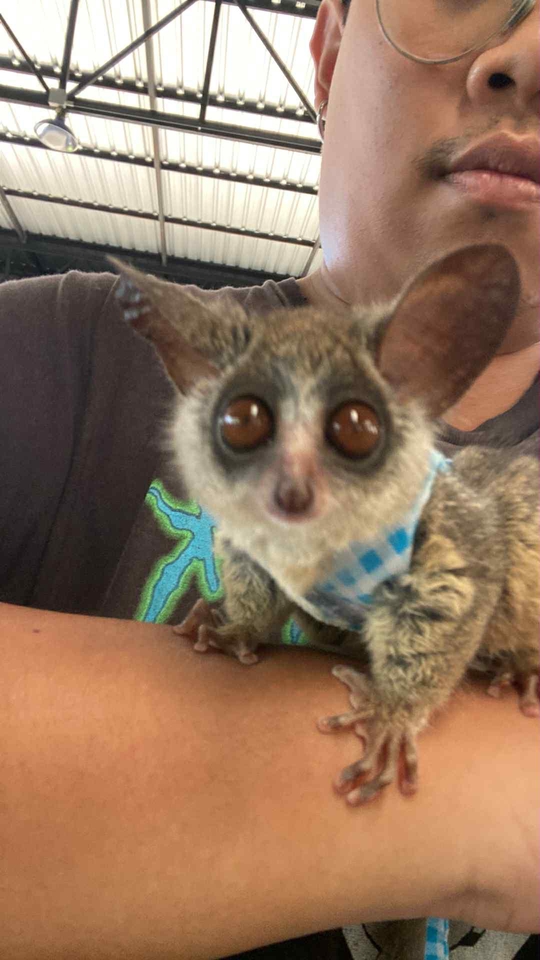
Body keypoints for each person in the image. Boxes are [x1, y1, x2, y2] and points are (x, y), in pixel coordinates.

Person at [1, 0, 538, 957]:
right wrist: (482, 791)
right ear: (326, 54)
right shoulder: (44, 356)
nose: (531, 52)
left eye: (351, 428)